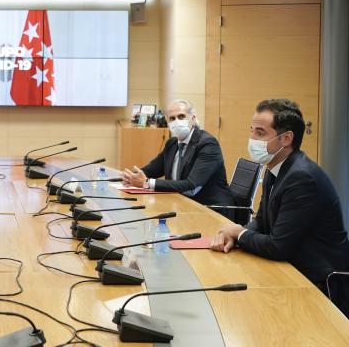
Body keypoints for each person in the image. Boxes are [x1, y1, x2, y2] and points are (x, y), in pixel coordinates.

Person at [211, 99, 349, 293]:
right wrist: (235, 233)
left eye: (260, 133)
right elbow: (262, 221)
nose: (252, 139)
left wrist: (238, 233)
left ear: (286, 138)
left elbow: (277, 247)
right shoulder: (275, 167)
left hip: (321, 281)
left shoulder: (301, 178)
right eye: (252, 131)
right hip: (292, 267)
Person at [121, 100, 234, 215]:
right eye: (172, 119)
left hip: (211, 210)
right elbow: (152, 169)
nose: (177, 122)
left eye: (181, 116)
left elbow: (190, 186)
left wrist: (146, 183)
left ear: (193, 119)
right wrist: (131, 176)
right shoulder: (172, 143)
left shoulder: (208, 144)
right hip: (182, 205)